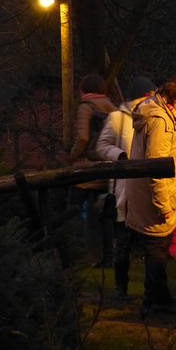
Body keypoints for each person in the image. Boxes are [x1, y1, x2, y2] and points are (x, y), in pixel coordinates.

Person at [124, 72, 176, 313]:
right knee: (157, 247)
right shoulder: (160, 120)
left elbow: (162, 152)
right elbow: (157, 165)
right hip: (154, 194)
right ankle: (158, 300)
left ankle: (154, 296)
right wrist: (163, 204)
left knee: (156, 246)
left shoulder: (162, 115)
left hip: (147, 191)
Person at [95, 76, 156, 300]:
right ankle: (121, 289)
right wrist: (120, 156)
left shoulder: (155, 118)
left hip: (148, 188)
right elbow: (102, 146)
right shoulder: (118, 119)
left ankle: (152, 290)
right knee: (123, 241)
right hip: (125, 191)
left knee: (151, 243)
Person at [68, 74, 118, 268]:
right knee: (105, 216)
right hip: (105, 168)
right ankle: (108, 258)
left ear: (84, 90)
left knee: (72, 212)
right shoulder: (113, 110)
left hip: (84, 169)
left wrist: (72, 156)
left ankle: (73, 255)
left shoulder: (85, 107)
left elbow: (82, 137)